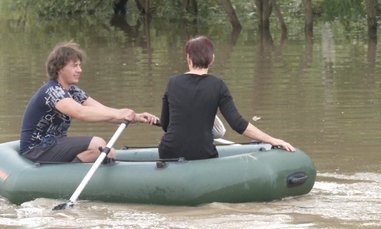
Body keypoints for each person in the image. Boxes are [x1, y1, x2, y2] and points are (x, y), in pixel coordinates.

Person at [158, 35, 295, 160]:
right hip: (202, 154)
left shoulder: (173, 83)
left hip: (169, 152)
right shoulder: (218, 85)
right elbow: (238, 124)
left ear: (188, 58)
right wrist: (272, 140)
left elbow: (165, 125)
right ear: (212, 59)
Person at [20, 41, 159, 163]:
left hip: (54, 145)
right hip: (36, 149)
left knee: (110, 152)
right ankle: (69, 178)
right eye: (74, 66)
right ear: (59, 68)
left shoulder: (73, 91)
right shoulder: (52, 91)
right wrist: (119, 115)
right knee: (97, 144)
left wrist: (136, 116)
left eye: (80, 65)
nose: (79, 70)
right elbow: (81, 113)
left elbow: (102, 110)